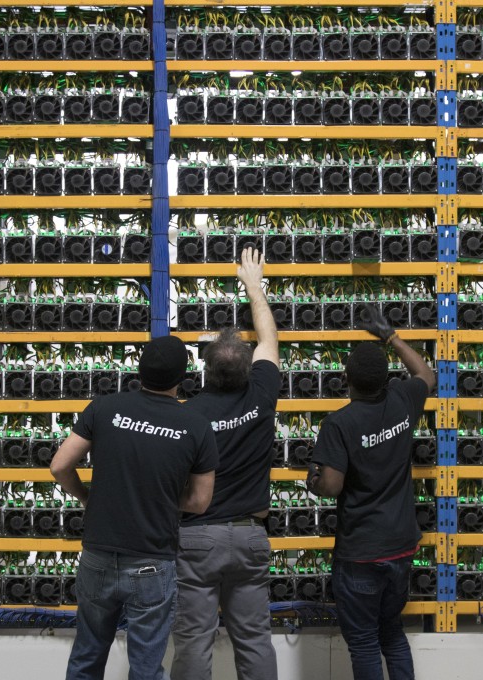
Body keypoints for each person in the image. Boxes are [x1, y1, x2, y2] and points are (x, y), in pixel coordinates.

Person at [50, 335, 219, 680]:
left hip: (98, 554)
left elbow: (59, 466)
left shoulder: (104, 407)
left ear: (139, 372)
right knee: (145, 667)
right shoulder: (196, 426)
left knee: (86, 657)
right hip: (152, 561)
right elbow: (200, 502)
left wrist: (87, 497)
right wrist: (160, 500)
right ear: (183, 377)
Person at [306, 306, 436, 680]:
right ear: (384, 378)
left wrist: (312, 480)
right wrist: (391, 337)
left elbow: (331, 486)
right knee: (392, 633)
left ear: (346, 379)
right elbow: (425, 373)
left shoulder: (340, 423)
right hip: (401, 545)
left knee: (363, 641)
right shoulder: (402, 400)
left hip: (361, 552)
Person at [171, 247, 280, 680]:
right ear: (248, 370)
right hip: (251, 536)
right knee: (254, 639)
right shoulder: (261, 395)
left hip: (196, 539)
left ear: (205, 373)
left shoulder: (187, 415)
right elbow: (270, 339)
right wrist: (253, 285)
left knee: (194, 640)